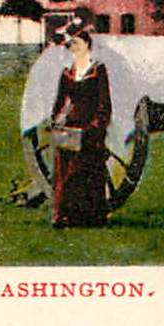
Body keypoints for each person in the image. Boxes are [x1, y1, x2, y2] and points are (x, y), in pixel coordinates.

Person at [49, 18, 112, 228]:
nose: (73, 48)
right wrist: (56, 120)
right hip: (72, 123)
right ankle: (65, 214)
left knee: (88, 169)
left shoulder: (98, 70)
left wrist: (96, 125)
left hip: (90, 123)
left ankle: (90, 216)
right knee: (65, 169)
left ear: (87, 45)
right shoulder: (67, 72)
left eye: (77, 44)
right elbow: (60, 101)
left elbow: (104, 103)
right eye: (71, 45)